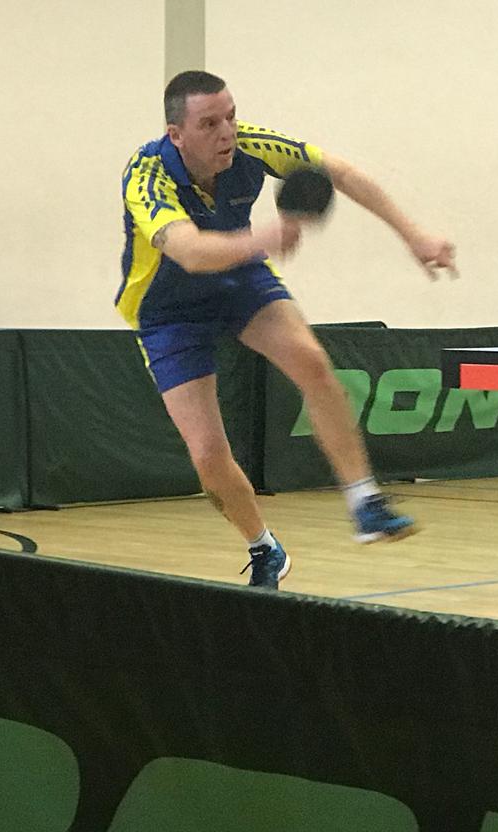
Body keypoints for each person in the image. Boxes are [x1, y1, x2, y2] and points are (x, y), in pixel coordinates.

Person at [117, 70, 457, 588]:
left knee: (312, 362)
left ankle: (365, 503)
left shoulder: (251, 145)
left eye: (230, 117)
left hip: (239, 280)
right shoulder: (146, 176)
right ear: (176, 134)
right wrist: (265, 238)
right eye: (209, 124)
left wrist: (414, 235)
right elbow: (189, 252)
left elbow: (340, 172)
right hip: (168, 310)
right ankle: (263, 546)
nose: (227, 132)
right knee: (208, 456)